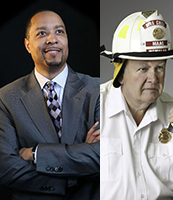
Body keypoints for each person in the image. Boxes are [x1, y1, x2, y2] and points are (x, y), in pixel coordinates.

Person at [100, 10, 173, 199]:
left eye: (159, 67)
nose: (153, 78)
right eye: (143, 68)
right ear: (120, 73)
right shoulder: (95, 106)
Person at [0, 10, 100, 199]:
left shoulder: (97, 90)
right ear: (27, 45)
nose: (52, 39)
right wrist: (73, 178)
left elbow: (105, 156)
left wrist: (37, 154)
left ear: (67, 40)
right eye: (42, 33)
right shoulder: (6, 98)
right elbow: (5, 168)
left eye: (59, 32)